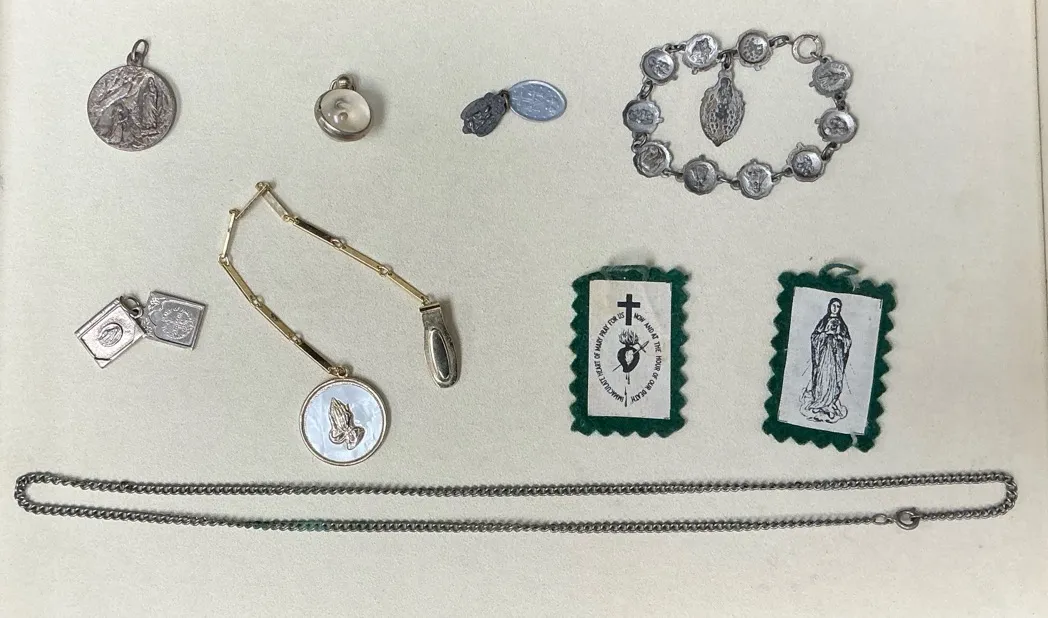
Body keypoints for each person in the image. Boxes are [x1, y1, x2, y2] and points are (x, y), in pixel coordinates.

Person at [800, 298, 851, 422]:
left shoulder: (842, 324)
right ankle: (820, 402)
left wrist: (840, 338)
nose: (835, 308)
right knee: (823, 378)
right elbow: (814, 337)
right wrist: (825, 334)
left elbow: (848, 341)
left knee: (834, 378)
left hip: (836, 357)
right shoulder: (823, 321)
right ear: (829, 306)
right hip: (824, 356)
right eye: (833, 305)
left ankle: (830, 403)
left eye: (838, 306)